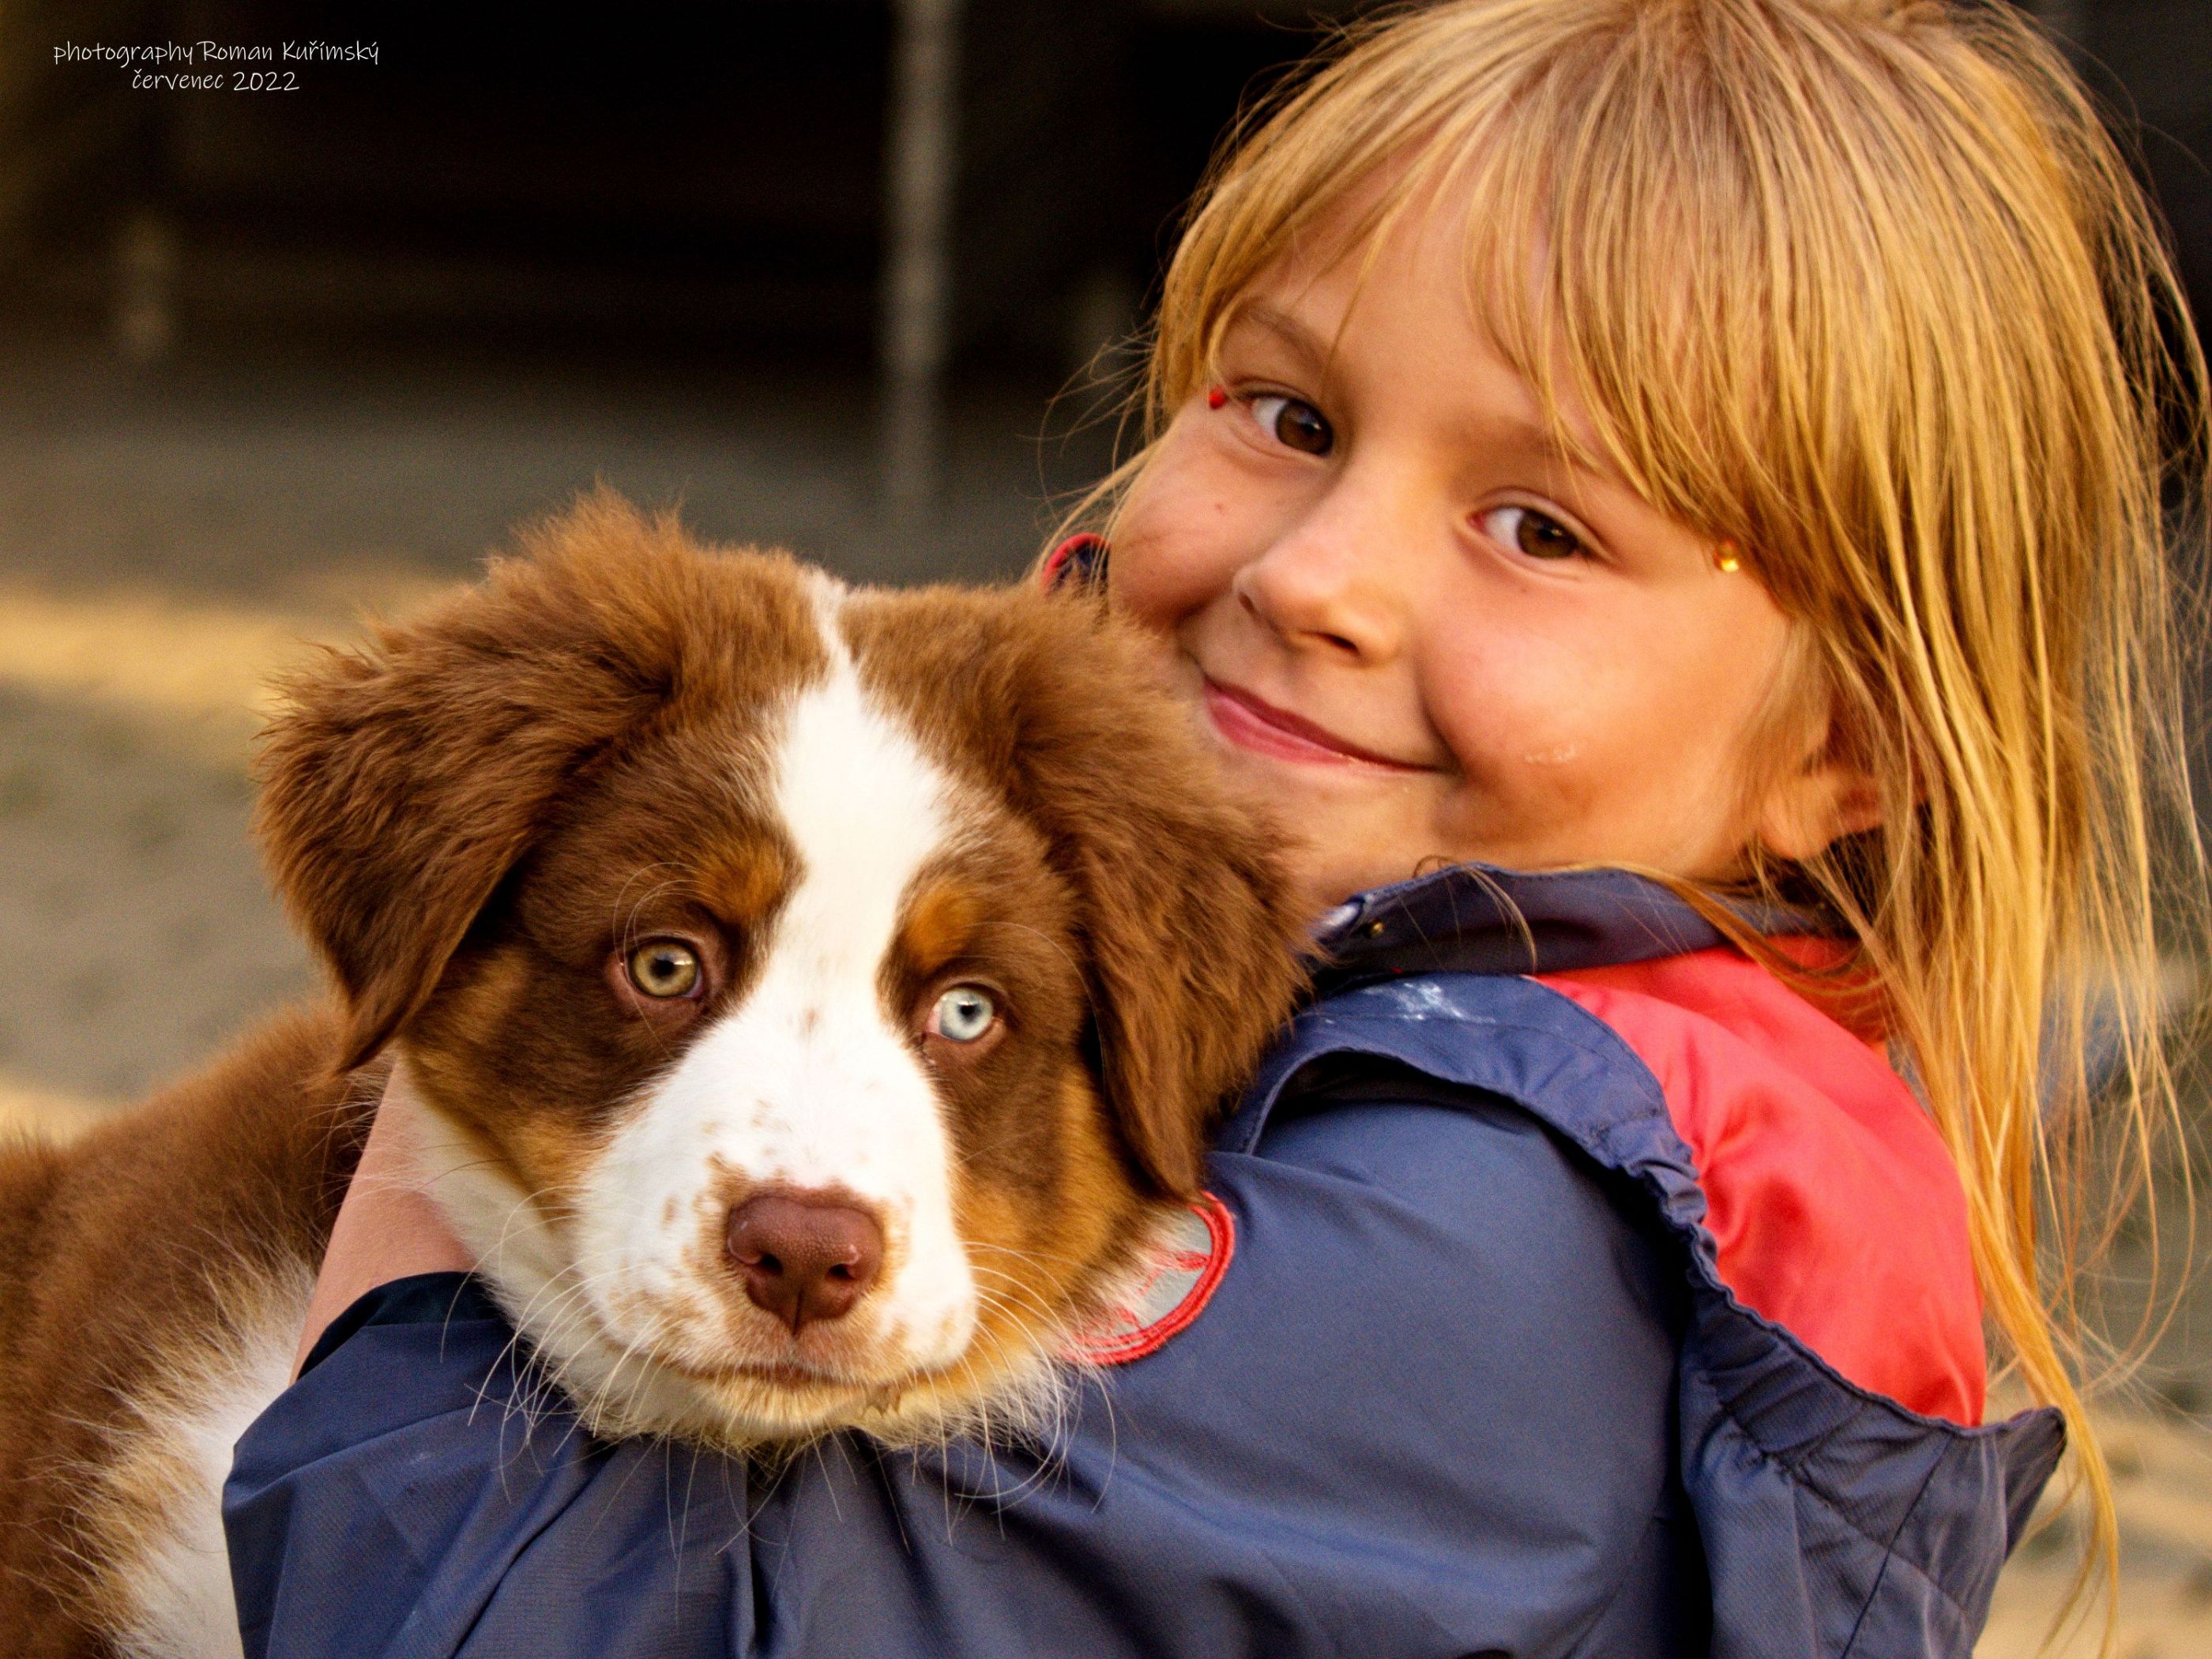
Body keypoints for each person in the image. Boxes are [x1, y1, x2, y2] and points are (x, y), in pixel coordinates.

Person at [225, 2, 2206, 1654]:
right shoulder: (1430, 1021)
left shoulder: (1478, 1248)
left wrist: (454, 1091)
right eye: (1288, 414)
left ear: (1838, 755)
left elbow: (471, 1618)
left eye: (1539, 529)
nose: (1323, 576)